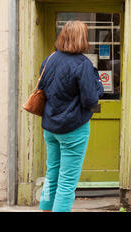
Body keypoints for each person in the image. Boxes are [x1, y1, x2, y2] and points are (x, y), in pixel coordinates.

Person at [38, 20, 104, 212]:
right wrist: (98, 84)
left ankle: (45, 209)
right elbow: (90, 100)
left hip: (50, 127)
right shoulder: (83, 64)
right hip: (73, 129)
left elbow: (43, 88)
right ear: (82, 38)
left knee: (52, 174)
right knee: (67, 182)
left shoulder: (50, 59)